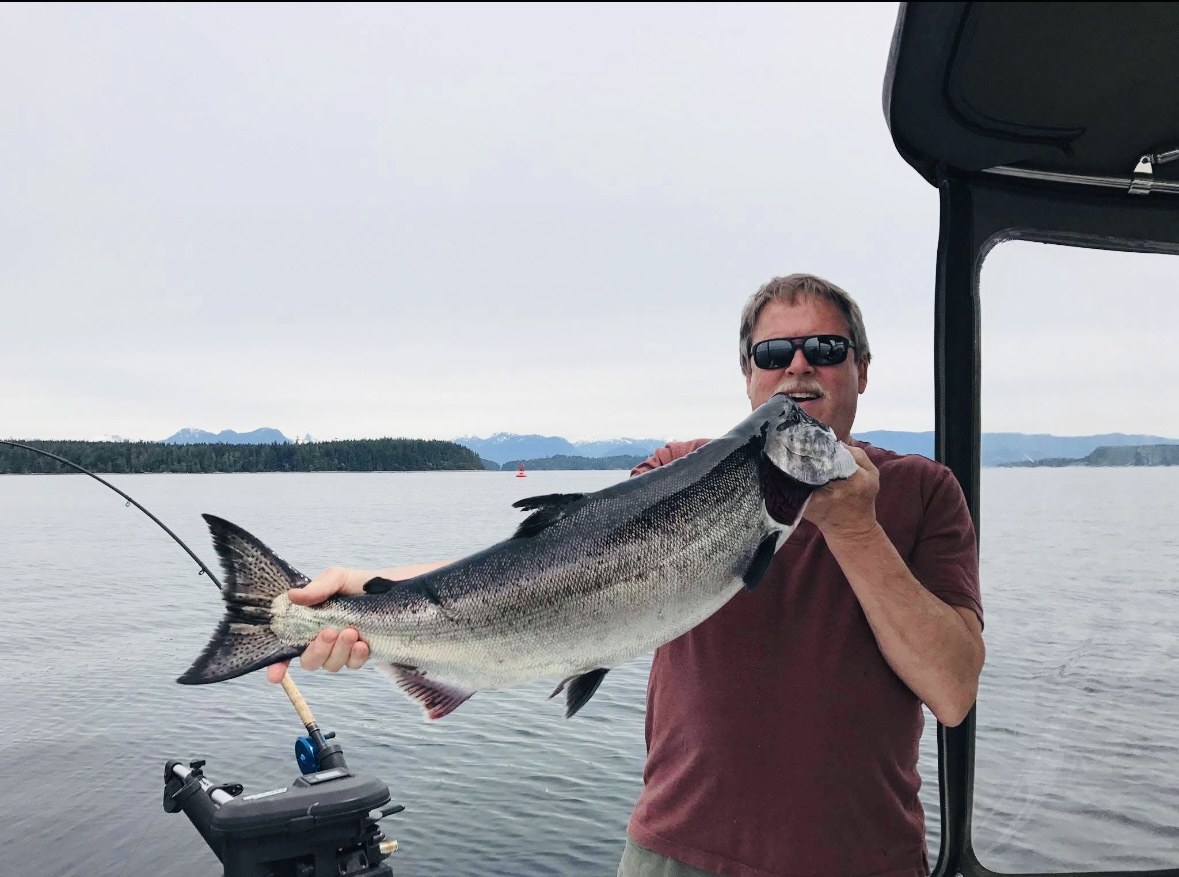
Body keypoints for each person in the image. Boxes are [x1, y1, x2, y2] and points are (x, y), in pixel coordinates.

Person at [268, 274, 985, 877]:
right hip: (677, 852)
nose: (798, 365)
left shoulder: (924, 491)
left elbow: (952, 694)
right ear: (748, 376)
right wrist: (361, 592)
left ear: (861, 366)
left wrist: (854, 528)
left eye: (824, 348)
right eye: (773, 351)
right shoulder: (680, 468)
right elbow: (544, 564)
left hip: (865, 858)